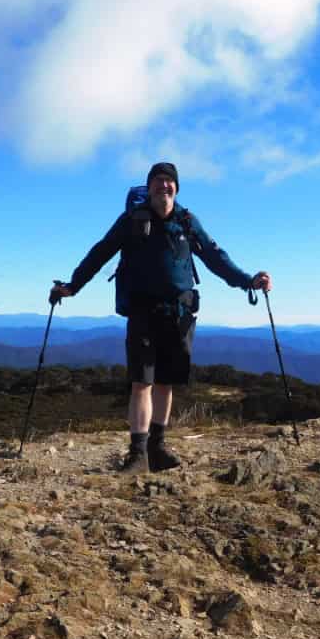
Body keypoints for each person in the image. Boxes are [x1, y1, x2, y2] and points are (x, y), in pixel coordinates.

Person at [50, 161, 271, 473]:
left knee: (165, 383)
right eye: (158, 181)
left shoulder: (188, 222)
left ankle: (157, 448)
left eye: (169, 181)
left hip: (179, 313)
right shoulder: (131, 220)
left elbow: (215, 257)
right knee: (142, 382)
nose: (163, 186)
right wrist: (73, 286)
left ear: (176, 188)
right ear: (149, 187)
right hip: (143, 311)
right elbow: (100, 253)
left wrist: (248, 280)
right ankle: (137, 453)